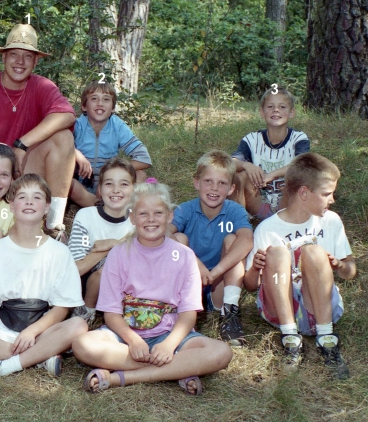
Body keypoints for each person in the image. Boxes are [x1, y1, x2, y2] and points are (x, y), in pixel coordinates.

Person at [72, 183, 233, 394]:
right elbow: (111, 313)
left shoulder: (184, 256)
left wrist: (168, 345)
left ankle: (120, 377)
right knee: (83, 345)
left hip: (171, 335)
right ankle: (179, 369)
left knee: (221, 352)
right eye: (143, 213)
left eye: (158, 213)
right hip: (125, 337)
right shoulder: (118, 254)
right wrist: (133, 340)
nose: (151, 219)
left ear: (169, 216)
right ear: (132, 217)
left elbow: (188, 314)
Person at [0, 174, 88, 378]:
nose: (29, 201)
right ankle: (40, 356)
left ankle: (4, 366)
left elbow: (62, 309)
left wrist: (32, 332)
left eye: (36, 197)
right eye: (22, 197)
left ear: (46, 207)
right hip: (2, 329)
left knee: (78, 325)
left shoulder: (60, 252)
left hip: (42, 328)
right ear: (11, 205)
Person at [0, 23, 76, 237]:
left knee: (63, 138)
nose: (20, 62)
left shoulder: (42, 87)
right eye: (14, 54)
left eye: (28, 56)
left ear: (36, 61)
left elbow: (66, 115)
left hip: (19, 170)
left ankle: (54, 226)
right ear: (3, 57)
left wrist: (21, 145)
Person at [244, 153, 356, 379]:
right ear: (304, 192)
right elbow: (249, 285)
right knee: (276, 253)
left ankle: (326, 339)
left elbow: (350, 271)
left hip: (319, 304)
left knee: (314, 252)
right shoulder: (267, 229)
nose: (332, 199)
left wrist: (338, 265)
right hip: (280, 304)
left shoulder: (331, 221)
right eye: (327, 194)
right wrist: (256, 268)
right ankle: (291, 340)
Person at [169, 150, 253, 346]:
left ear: (231, 188)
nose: (214, 188)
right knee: (178, 238)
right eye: (208, 181)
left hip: (219, 283)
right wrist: (197, 264)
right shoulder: (185, 209)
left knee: (233, 240)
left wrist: (215, 272)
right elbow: (164, 232)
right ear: (196, 182)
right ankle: (183, 310)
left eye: (222, 183)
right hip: (191, 282)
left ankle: (229, 312)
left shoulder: (234, 210)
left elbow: (247, 240)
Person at [68, 158, 136, 324]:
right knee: (108, 264)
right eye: (109, 184)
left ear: (134, 190)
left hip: (127, 285)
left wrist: (113, 244)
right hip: (90, 281)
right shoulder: (87, 216)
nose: (116, 190)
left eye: (124, 184)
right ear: (99, 189)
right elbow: (76, 268)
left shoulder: (137, 219)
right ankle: (86, 312)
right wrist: (110, 247)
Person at [230, 87, 310, 220]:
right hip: (259, 202)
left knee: (298, 178)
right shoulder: (252, 139)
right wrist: (246, 165)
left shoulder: (299, 138)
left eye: (282, 106)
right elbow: (230, 163)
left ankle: (286, 223)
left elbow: (302, 164)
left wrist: (271, 175)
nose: (276, 110)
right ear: (262, 112)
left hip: (288, 204)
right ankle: (239, 223)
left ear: (292, 112)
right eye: (270, 106)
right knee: (238, 175)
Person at [71, 81, 152, 207]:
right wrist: (77, 154)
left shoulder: (117, 126)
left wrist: (110, 173)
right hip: (82, 184)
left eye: (106, 99)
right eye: (94, 99)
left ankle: (113, 205)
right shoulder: (77, 125)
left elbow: (144, 159)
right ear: (84, 106)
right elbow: (59, 147)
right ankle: (100, 207)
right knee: (69, 184)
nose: (100, 103)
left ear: (113, 108)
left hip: (112, 183)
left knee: (141, 174)